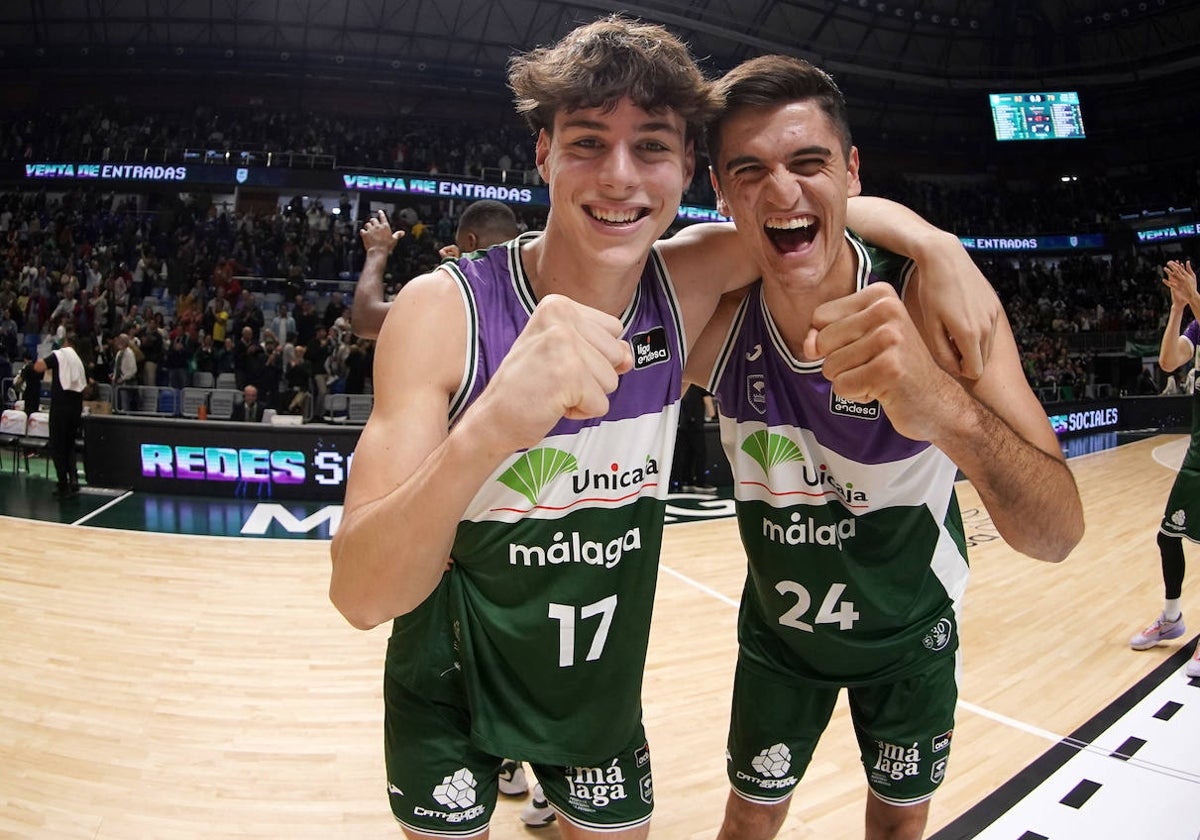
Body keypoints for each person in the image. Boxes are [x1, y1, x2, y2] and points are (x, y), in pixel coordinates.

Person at [330, 16, 1002, 840]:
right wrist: (494, 424)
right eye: (586, 143)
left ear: (689, 168)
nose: (619, 177)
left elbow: (808, 208)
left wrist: (940, 247)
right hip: (448, 683)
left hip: (595, 699)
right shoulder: (445, 310)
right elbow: (363, 596)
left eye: (651, 147)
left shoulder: (688, 282)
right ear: (542, 154)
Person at [684, 55, 1084, 840]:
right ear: (720, 190)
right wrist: (934, 233)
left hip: (914, 637)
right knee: (746, 820)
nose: (784, 190)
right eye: (750, 171)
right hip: (780, 635)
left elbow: (1058, 534)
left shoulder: (934, 302)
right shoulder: (712, 315)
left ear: (852, 171)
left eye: (809, 163)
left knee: (901, 828)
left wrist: (945, 410)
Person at [1130, 258, 1200, 677]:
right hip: (1198, 450)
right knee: (1167, 535)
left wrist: (1193, 297)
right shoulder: (1196, 325)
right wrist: (1178, 308)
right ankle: (1172, 618)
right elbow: (1169, 361)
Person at [352, 198, 521, 340]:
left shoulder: (459, 291)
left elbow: (366, 319)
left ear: (471, 241)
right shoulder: (538, 285)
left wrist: (377, 251)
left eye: (461, 247)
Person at [33, 332, 87, 499]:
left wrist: (43, 355)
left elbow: (38, 367)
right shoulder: (79, 360)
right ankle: (74, 480)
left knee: (57, 446)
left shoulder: (60, 354)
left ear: (65, 342)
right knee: (70, 445)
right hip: (75, 408)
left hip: (60, 407)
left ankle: (62, 483)